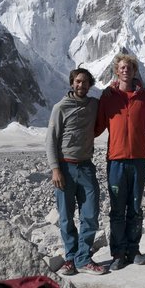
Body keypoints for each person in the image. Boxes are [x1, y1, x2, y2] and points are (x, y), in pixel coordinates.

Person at [45, 66, 107, 276]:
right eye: (77, 81)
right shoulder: (60, 107)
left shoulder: (94, 105)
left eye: (85, 82)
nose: (81, 85)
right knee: (66, 216)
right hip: (65, 168)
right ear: (72, 83)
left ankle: (83, 257)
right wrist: (55, 169)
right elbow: (50, 140)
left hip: (86, 166)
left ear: (90, 84)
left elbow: (106, 115)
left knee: (90, 214)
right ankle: (71, 257)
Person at [95, 53, 145, 271]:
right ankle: (118, 252)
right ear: (116, 71)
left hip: (139, 159)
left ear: (135, 71)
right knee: (118, 209)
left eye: (129, 67)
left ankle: (133, 249)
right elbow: (98, 125)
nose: (125, 70)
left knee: (136, 207)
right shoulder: (108, 96)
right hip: (116, 159)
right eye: (121, 67)